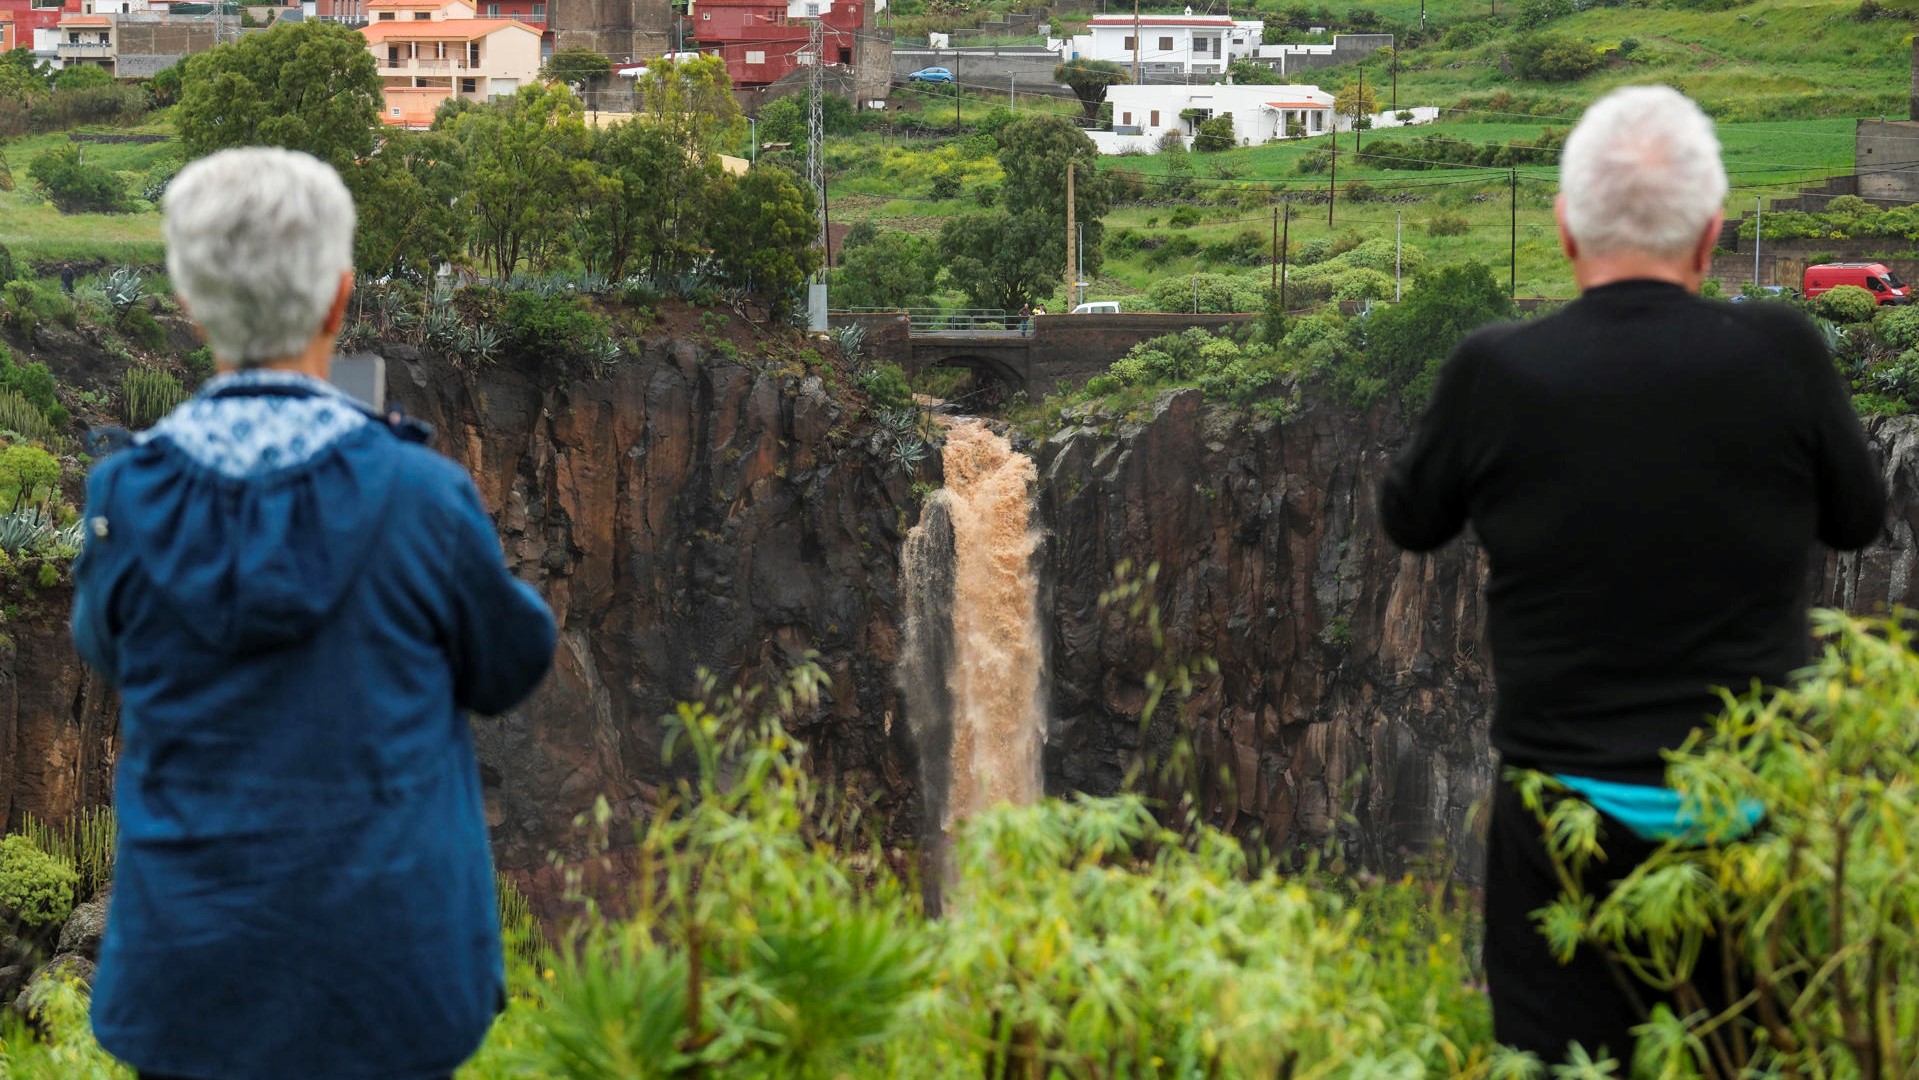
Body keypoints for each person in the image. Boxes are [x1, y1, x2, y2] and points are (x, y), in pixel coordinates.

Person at [1379, 85, 1885, 1065]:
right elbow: (1858, 518)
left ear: (1566, 230)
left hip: (1561, 821)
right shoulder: (1783, 353)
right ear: (1709, 236)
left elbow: (1409, 516)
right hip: (1753, 814)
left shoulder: (1497, 371)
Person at [71, 147, 558, 1080]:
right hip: (392, 980)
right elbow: (511, 663)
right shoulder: (421, 494)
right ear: (339, 299)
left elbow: (104, 649)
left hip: (188, 984)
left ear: (189, 303)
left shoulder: (122, 500)